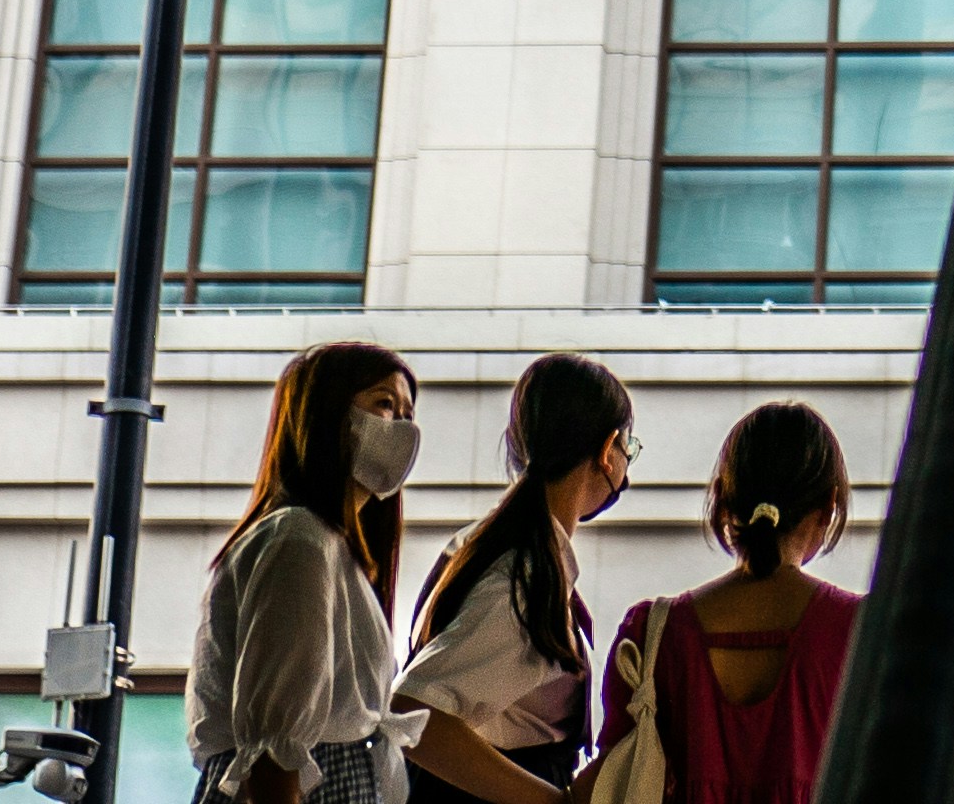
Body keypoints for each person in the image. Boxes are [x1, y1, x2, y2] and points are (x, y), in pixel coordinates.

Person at [397, 353, 639, 800]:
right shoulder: (525, 577)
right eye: (630, 446)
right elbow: (415, 710)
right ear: (608, 451)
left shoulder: (500, 546)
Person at [195, 340, 421, 804]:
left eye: (407, 412)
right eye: (384, 403)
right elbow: (274, 750)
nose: (402, 428)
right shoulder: (299, 540)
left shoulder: (333, 549)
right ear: (327, 414)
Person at [608, 400, 861, 804]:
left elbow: (610, 778)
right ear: (829, 507)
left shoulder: (650, 634)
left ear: (723, 499)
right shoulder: (861, 633)